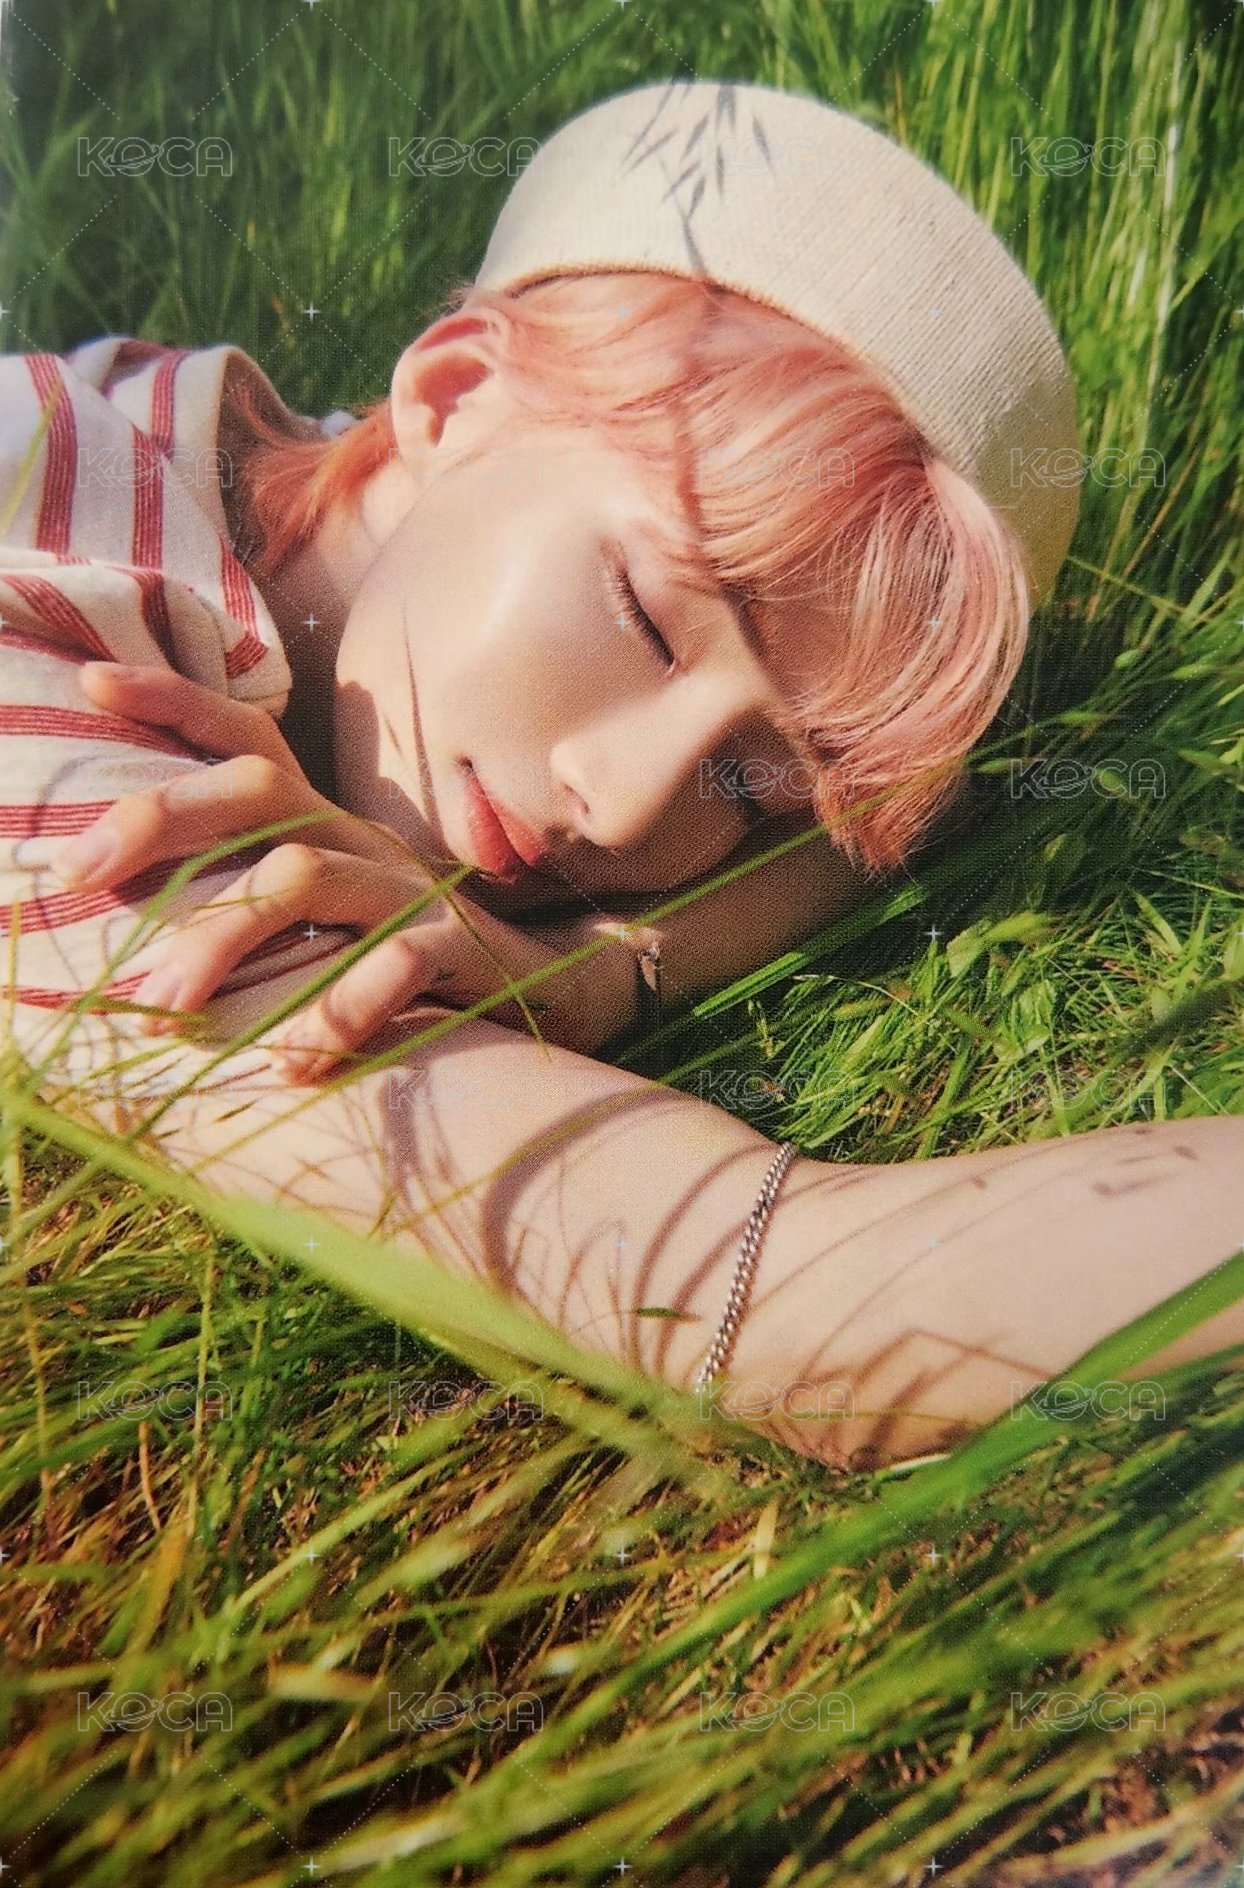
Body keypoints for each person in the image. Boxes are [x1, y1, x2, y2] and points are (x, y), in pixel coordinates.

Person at [2, 80, 1240, 1468]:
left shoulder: (350, 490)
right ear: (455, 395)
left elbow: (879, 832)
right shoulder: (56, 673)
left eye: (750, 786)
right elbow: (775, 1298)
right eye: (648, 618)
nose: (634, 801)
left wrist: (604, 970)